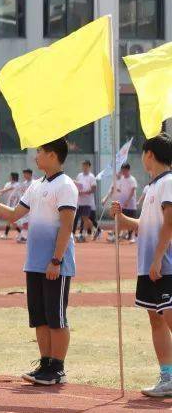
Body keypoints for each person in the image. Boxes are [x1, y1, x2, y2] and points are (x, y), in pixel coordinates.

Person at [0, 137, 77, 386]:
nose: (36, 156)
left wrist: (56, 260)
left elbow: (66, 226)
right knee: (40, 317)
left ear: (53, 155)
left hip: (55, 263)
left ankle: (58, 368)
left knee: (56, 317)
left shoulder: (66, 186)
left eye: (40, 152)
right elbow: (13, 216)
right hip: (34, 263)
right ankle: (45, 363)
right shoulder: (36, 185)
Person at [110, 134, 172, 397]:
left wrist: (158, 257)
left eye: (143, 154)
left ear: (149, 154)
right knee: (155, 319)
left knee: (169, 317)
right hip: (149, 267)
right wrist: (122, 218)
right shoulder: (152, 187)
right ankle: (167, 376)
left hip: (165, 265)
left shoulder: (168, 182)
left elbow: (170, 222)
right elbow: (146, 225)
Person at [109, 164, 139, 242]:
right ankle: (116, 236)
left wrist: (127, 201)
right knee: (120, 221)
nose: (123, 172)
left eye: (124, 170)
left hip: (131, 205)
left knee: (132, 221)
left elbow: (132, 191)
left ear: (128, 170)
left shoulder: (132, 179)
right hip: (122, 205)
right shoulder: (121, 179)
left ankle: (132, 237)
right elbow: (120, 189)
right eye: (122, 170)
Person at [74, 160, 98, 242]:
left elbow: (94, 188)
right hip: (80, 201)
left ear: (89, 167)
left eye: (86, 166)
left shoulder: (91, 177)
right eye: (83, 165)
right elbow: (77, 185)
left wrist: (83, 192)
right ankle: (96, 230)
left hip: (88, 202)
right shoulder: (79, 175)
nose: (84, 167)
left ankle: (83, 235)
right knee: (84, 219)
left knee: (85, 218)